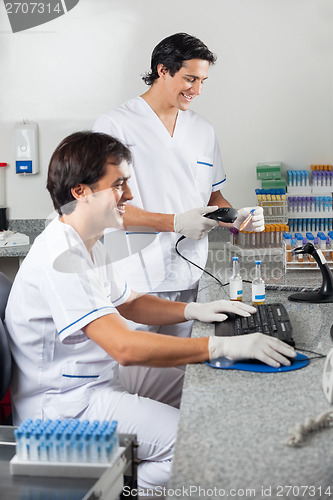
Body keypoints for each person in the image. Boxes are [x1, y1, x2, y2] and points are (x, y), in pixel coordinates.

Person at [5, 132, 294, 492]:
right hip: (64, 407)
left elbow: (130, 302)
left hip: (95, 377)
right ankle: (125, 490)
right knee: (190, 446)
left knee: (208, 388)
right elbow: (125, 348)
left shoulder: (83, 237)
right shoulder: (60, 257)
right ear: (80, 191)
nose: (129, 195)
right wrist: (220, 347)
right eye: (119, 185)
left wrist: (194, 309)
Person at [93, 32, 265, 338]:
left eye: (202, 81)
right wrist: (174, 222)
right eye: (190, 79)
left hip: (191, 276)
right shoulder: (115, 125)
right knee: (138, 375)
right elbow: (103, 208)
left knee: (184, 377)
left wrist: (238, 218)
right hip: (136, 281)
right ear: (162, 69)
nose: (197, 90)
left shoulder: (203, 130)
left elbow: (213, 195)